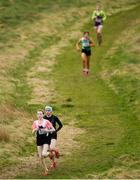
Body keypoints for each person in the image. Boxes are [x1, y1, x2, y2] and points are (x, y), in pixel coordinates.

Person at [32, 110, 55, 176]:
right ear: (37, 115)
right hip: (39, 139)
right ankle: (46, 170)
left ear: (43, 115)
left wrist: (46, 130)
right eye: (38, 114)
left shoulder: (46, 121)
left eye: (40, 114)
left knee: (44, 154)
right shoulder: (35, 122)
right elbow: (32, 132)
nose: (39, 115)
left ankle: (51, 154)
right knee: (40, 157)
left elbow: (53, 129)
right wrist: (35, 129)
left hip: (46, 138)